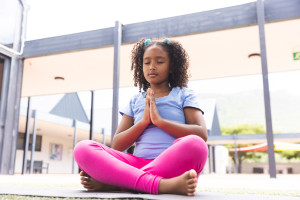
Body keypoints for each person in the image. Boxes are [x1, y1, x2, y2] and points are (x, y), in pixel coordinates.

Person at [73, 38, 208, 196]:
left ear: (171, 66)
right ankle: (161, 185)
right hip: (136, 165)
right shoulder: (135, 100)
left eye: (159, 62)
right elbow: (117, 144)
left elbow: (201, 134)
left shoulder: (184, 94)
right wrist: (143, 122)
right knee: (83, 148)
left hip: (171, 165)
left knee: (196, 145)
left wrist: (160, 122)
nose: (152, 67)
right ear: (140, 66)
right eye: (147, 62)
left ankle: (119, 184)